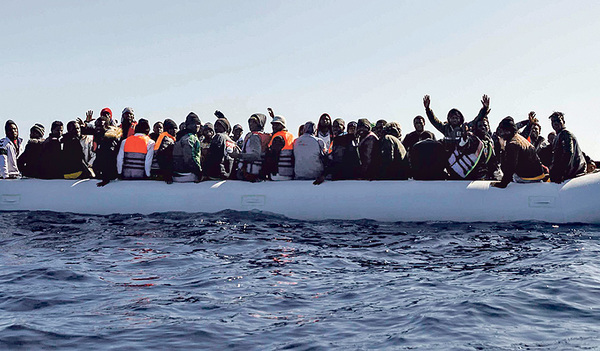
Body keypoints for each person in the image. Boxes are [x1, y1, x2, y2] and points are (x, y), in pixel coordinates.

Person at [492, 117, 547, 189]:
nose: (499, 134)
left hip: (527, 178)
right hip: (538, 175)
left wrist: (502, 184)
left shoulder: (512, 144)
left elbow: (509, 168)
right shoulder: (519, 138)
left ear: (508, 131)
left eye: (501, 131)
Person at [423, 94, 490, 151]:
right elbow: (434, 121)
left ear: (460, 118)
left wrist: (484, 108)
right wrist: (428, 109)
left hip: (461, 158)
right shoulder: (445, 128)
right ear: (449, 119)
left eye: (457, 117)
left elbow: (477, 119)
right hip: (448, 157)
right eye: (452, 117)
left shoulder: (465, 127)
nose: (454, 119)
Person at [548, 112, 586, 183]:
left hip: (572, 175)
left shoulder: (565, 133)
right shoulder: (558, 136)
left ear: (563, 122)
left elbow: (568, 153)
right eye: (553, 121)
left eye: (558, 120)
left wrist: (561, 173)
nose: (555, 123)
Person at [319, 118, 360, 182]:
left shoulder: (341, 140)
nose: (335, 128)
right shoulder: (337, 139)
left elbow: (336, 160)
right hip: (346, 177)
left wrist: (324, 174)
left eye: (338, 126)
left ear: (343, 128)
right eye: (333, 126)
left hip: (343, 177)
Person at [237, 113, 271, 182]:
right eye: (250, 122)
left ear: (260, 124)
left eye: (254, 122)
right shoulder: (265, 136)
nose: (251, 124)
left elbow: (255, 155)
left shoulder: (255, 137)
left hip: (250, 174)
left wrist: (238, 155)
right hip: (258, 173)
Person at [172, 112, 203, 182]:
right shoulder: (190, 137)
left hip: (177, 173)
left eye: (198, 123)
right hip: (187, 174)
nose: (196, 126)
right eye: (193, 123)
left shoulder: (181, 136)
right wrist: (198, 172)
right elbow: (189, 157)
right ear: (188, 125)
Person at [93, 115, 122, 187]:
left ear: (106, 126)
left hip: (109, 176)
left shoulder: (109, 138)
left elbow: (109, 159)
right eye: (96, 126)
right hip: (101, 173)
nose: (97, 128)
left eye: (100, 126)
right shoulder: (99, 136)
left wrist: (106, 179)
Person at [263, 115, 294, 180]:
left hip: (278, 174)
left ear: (282, 125)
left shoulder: (278, 138)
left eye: (277, 125)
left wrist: (265, 172)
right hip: (290, 172)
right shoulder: (290, 136)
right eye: (273, 125)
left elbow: (273, 157)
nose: (274, 127)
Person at [150, 119, 177, 183]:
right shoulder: (167, 139)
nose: (175, 131)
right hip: (159, 170)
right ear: (169, 130)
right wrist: (168, 176)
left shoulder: (163, 137)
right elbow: (162, 156)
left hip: (155, 168)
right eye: (174, 129)